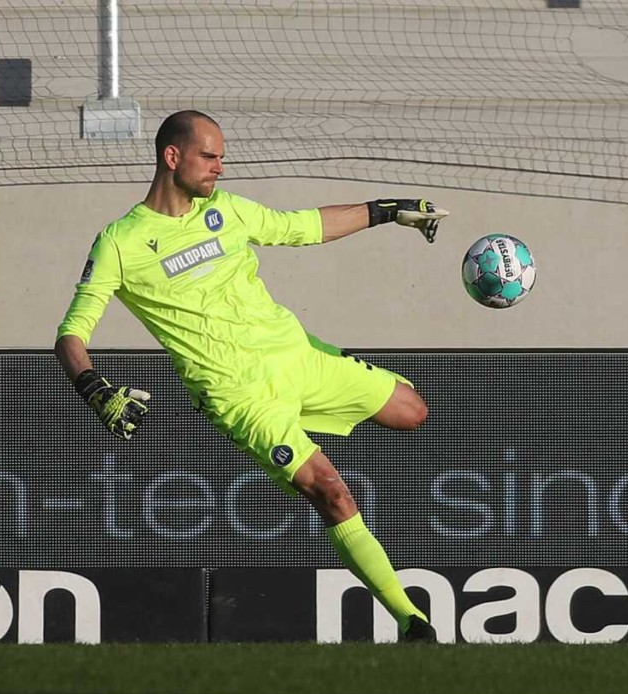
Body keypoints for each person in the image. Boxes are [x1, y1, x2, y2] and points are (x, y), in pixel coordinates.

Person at [55, 110, 448, 643]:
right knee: (331, 493)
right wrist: (94, 390)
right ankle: (412, 621)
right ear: (173, 157)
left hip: (296, 359)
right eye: (209, 156)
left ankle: (323, 362)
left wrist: (386, 210)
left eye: (221, 156)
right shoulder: (120, 243)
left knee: (412, 411)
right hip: (241, 398)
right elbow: (71, 335)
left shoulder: (228, 211)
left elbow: (303, 227)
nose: (220, 166)